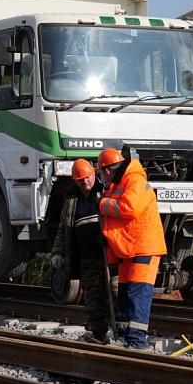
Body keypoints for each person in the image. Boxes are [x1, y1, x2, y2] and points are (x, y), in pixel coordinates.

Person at [97, 148, 166, 350]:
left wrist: (102, 204)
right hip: (129, 249)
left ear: (107, 170)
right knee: (126, 293)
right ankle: (126, 337)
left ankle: (136, 341)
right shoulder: (120, 183)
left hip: (143, 248)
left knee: (138, 294)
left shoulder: (135, 180)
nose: (102, 177)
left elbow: (129, 208)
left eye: (101, 172)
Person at [51, 159, 113, 345]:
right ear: (75, 181)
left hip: (110, 257)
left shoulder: (106, 192)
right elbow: (64, 229)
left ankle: (121, 333)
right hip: (87, 259)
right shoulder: (72, 201)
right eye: (80, 179)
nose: (85, 182)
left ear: (94, 174)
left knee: (116, 295)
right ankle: (98, 334)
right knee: (93, 298)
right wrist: (58, 252)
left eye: (87, 177)